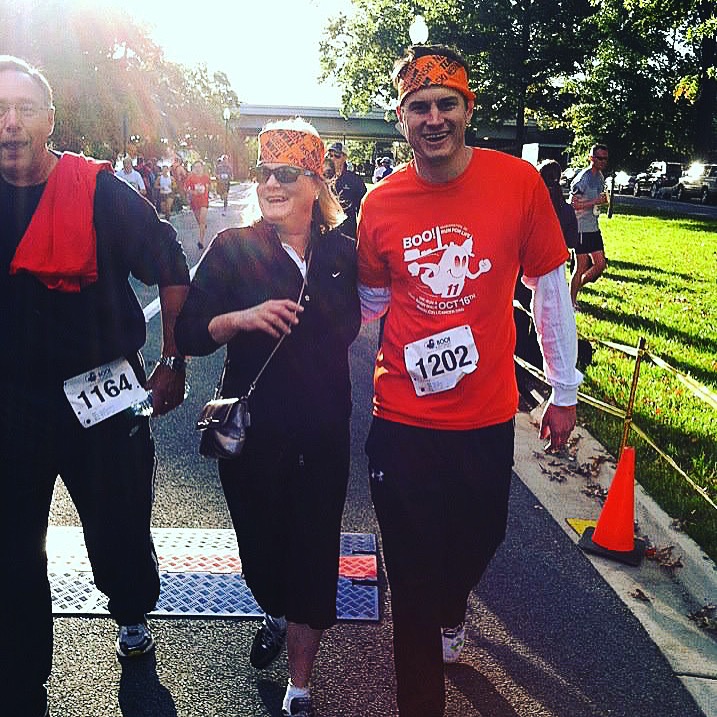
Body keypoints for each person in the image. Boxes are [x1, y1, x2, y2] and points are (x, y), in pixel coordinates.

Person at [356, 44, 582, 717]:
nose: (433, 118)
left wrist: (561, 387)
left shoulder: (516, 183)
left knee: (477, 540)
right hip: (399, 420)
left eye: (445, 104)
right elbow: (368, 306)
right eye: (418, 106)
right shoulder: (381, 201)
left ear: (467, 109)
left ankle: (455, 602)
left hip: (483, 418)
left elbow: (548, 288)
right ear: (400, 118)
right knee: (412, 585)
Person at [0, 55, 190, 717]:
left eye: (24, 108)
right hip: (11, 399)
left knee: (117, 530)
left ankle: (131, 609)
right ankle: (20, 680)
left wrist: (173, 358)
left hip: (102, 389)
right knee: (10, 547)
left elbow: (170, 260)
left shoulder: (100, 190)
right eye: (0, 109)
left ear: (49, 120)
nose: (11, 122)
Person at [175, 117, 360, 717]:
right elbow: (187, 333)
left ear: (316, 180)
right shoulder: (234, 249)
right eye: (264, 172)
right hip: (253, 435)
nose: (272, 184)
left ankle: (299, 685)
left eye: (287, 173)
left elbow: (366, 317)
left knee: (313, 551)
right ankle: (273, 607)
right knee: (260, 551)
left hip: (325, 430)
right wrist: (242, 318)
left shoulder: (342, 253)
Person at [569, 143, 609, 309]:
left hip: (593, 225)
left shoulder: (599, 176)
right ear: (591, 158)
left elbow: (598, 200)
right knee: (581, 266)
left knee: (600, 265)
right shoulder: (582, 178)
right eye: (599, 158)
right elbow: (573, 204)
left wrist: (601, 203)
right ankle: (571, 301)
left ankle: (572, 291)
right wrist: (595, 201)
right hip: (580, 228)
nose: (603, 162)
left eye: (605, 159)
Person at [325, 141, 366, 238]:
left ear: (345, 158)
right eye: (330, 155)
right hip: (326, 234)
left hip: (348, 234)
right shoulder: (323, 178)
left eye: (337, 156)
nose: (332, 159)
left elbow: (363, 210)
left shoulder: (354, 180)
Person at [184, 159, 211, 249]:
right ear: (194, 168)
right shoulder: (191, 178)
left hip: (204, 201)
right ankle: (202, 225)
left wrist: (209, 193)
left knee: (202, 221)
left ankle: (201, 241)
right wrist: (192, 192)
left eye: (199, 167)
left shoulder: (206, 177)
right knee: (199, 221)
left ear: (202, 167)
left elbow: (209, 187)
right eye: (196, 167)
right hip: (194, 202)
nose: (198, 169)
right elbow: (185, 188)